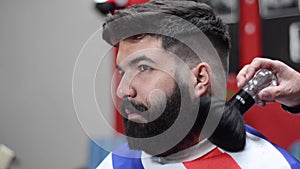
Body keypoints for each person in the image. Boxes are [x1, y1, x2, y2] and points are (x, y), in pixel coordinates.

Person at [97, 0, 300, 168]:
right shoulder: (116, 164)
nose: (122, 90)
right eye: (122, 71)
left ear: (199, 79)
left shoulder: (269, 164)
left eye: (143, 68)